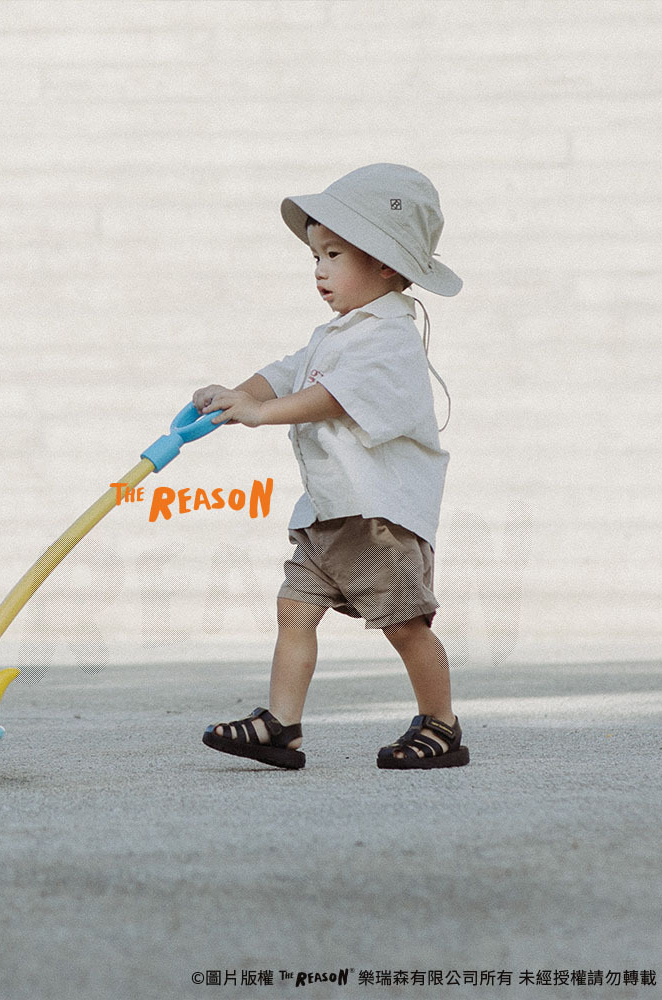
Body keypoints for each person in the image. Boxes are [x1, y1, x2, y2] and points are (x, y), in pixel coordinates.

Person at [197, 163, 469, 770]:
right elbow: (289, 370)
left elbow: (335, 398)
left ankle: (442, 725)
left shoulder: (390, 339)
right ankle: (281, 725)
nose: (319, 270)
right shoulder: (339, 333)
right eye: (316, 255)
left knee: (405, 623)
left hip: (378, 517)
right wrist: (232, 394)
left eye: (334, 254)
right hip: (329, 513)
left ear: (387, 267)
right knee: (294, 610)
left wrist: (261, 413)